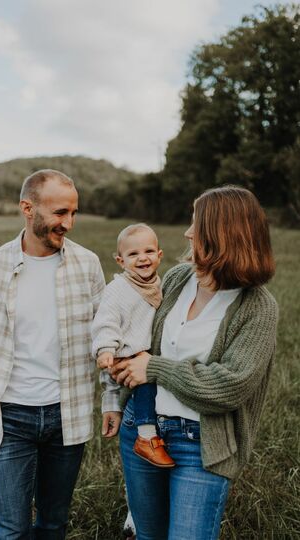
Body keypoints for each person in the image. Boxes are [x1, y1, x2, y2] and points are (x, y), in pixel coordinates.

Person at [111, 185, 278, 540]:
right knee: (148, 535)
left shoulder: (257, 306)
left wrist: (154, 368)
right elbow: (136, 334)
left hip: (201, 443)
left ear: (221, 234)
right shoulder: (175, 280)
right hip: (143, 430)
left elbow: (229, 384)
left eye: (195, 223)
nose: (188, 232)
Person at [0, 169, 105, 540]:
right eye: (59, 213)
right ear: (27, 208)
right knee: (10, 532)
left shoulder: (88, 265)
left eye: (73, 213)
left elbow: (106, 339)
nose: (68, 223)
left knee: (53, 525)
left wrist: (113, 400)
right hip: (8, 418)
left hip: (67, 414)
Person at [92, 223, 174, 468]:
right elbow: (105, 321)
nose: (142, 258)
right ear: (120, 261)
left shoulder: (158, 286)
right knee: (144, 385)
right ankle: (146, 436)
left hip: (148, 352)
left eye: (148, 251)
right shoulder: (118, 290)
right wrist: (106, 349)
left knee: (152, 380)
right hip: (128, 352)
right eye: (133, 254)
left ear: (159, 255)